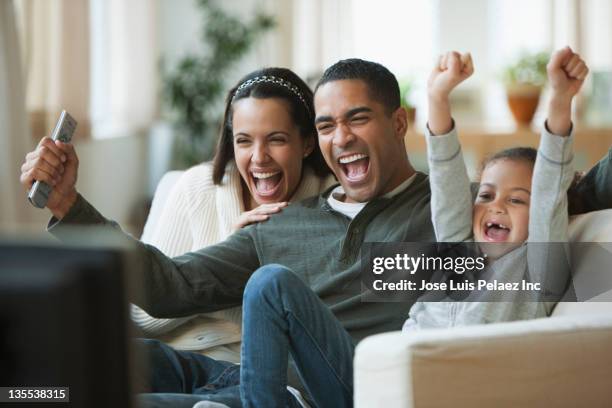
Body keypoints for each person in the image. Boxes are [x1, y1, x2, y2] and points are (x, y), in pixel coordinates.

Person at [18, 58, 611, 408]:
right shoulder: (282, 224)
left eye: (358, 118)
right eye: (328, 125)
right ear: (317, 139)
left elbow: (552, 195)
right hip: (241, 375)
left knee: (270, 288)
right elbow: (169, 285)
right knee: (72, 378)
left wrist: (558, 110)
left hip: (320, 392)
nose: (342, 137)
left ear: (399, 123)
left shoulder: (452, 215)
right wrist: (70, 205)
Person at [130, 67, 336, 363]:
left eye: (276, 139)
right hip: (175, 357)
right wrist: (226, 260)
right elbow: (142, 315)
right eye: (244, 140)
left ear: (306, 143)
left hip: (253, 371)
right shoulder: (196, 188)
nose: (259, 157)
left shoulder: (330, 202)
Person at [404, 47, 587, 331]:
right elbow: (446, 178)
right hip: (401, 359)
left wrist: (561, 99)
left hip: (458, 370)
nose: (496, 206)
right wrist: (437, 97)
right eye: (486, 195)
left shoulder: (539, 272)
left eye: (516, 200)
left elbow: (549, 192)